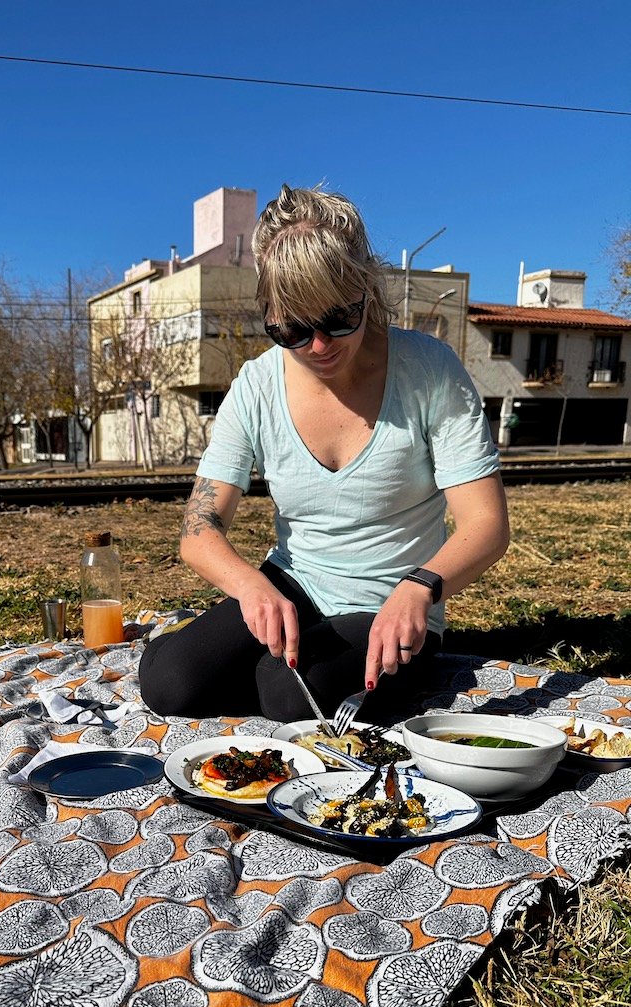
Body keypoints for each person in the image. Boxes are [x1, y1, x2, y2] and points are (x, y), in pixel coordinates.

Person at [139, 184, 510, 723]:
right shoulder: (256, 385)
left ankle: (372, 669)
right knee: (170, 685)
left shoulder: (430, 371)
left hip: (392, 603)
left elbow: (487, 524)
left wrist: (420, 588)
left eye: (339, 318)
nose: (319, 345)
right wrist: (251, 587)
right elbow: (199, 531)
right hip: (294, 584)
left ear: (368, 291)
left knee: (292, 695)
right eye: (291, 328)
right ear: (268, 313)